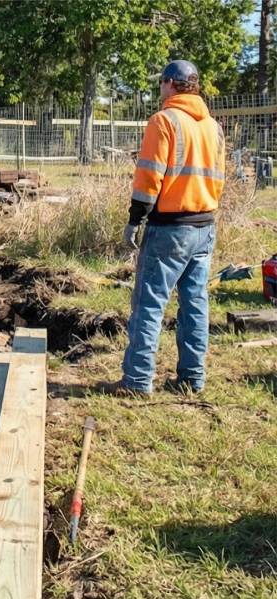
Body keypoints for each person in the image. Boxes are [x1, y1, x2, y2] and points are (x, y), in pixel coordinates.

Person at [120, 60, 225, 396]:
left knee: (149, 304)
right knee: (195, 303)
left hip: (170, 229)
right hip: (204, 225)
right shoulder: (213, 127)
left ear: (170, 84)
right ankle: (192, 379)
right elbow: (218, 181)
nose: (159, 89)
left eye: (161, 83)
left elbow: (149, 177)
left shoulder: (163, 121)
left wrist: (135, 220)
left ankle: (137, 381)